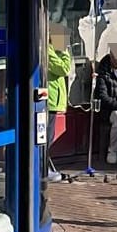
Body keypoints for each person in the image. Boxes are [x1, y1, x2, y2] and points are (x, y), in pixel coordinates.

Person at [45, 35, 73, 182]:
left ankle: (44, 169)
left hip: (54, 102)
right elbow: (64, 69)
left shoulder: (53, 51)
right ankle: (42, 170)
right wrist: (65, 52)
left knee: (48, 138)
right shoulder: (47, 51)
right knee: (45, 139)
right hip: (48, 102)